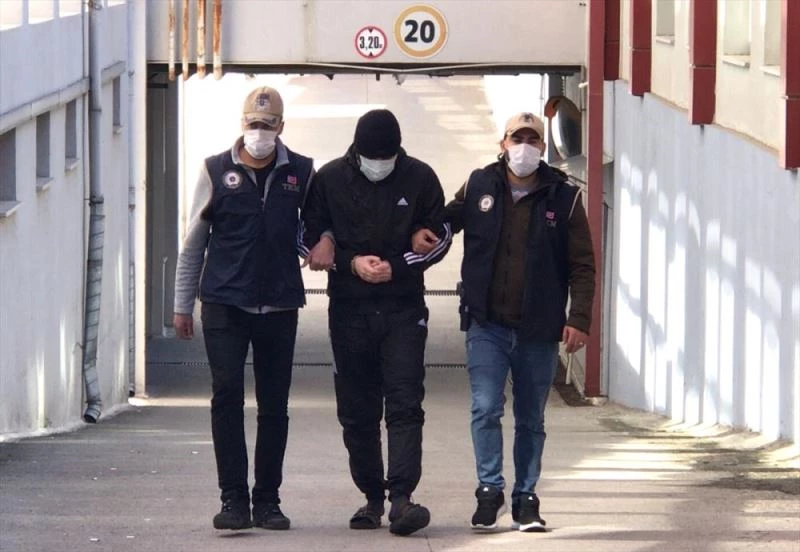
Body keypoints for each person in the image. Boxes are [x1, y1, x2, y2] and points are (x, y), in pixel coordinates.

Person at [413, 112, 595, 532]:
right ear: (503, 143)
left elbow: (582, 266)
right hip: (487, 324)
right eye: (517, 138)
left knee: (531, 419)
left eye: (532, 140)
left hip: (539, 331)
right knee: (485, 408)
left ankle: (525, 498)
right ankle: (489, 490)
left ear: (543, 147)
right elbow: (448, 219)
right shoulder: (480, 184)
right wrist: (423, 230)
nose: (524, 147)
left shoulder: (565, 198)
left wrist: (579, 318)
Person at [302, 109, 452, 536]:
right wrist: (350, 262)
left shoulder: (420, 177)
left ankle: (402, 497)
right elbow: (309, 235)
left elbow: (440, 236)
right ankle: (371, 496)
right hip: (349, 310)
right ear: (357, 151)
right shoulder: (329, 179)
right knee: (357, 410)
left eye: (387, 158)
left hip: (404, 308)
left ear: (397, 152)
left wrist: (398, 266)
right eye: (373, 157)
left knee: (405, 402)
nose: (379, 165)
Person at [172, 86, 314, 531]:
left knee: (274, 406)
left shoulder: (301, 172)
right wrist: (181, 305)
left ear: (281, 127)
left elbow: (315, 229)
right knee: (226, 398)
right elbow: (194, 243)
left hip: (279, 304)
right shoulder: (215, 170)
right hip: (224, 305)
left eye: (268, 125)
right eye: (253, 123)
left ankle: (267, 501)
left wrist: (324, 242)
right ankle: (233, 499)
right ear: (242, 124)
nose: (260, 132)